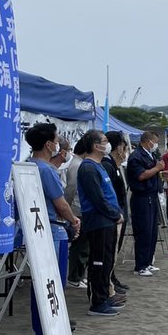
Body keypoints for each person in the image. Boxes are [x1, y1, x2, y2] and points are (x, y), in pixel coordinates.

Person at [25, 123, 82, 335]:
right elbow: (61, 203)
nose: (59, 143)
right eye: (56, 139)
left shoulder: (27, 165)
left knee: (40, 285)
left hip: (36, 230)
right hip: (53, 231)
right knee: (53, 286)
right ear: (49, 144)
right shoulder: (46, 170)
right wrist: (74, 220)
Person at [74, 130, 123, 317]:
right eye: (104, 141)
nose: (108, 144)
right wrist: (114, 214)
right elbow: (97, 199)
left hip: (108, 221)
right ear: (95, 146)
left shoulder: (99, 165)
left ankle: (104, 296)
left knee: (107, 261)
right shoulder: (87, 168)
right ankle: (97, 302)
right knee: (99, 261)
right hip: (99, 221)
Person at [126, 132, 167, 277]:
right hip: (141, 197)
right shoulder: (136, 156)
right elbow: (141, 175)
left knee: (152, 231)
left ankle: (148, 261)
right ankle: (140, 265)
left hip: (152, 195)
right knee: (144, 231)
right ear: (147, 141)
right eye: (154, 142)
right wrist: (156, 168)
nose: (155, 145)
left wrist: (160, 170)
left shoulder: (150, 154)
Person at [101, 132, 130, 303]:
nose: (125, 151)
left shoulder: (115, 165)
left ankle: (112, 278)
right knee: (109, 252)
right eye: (124, 147)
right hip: (113, 214)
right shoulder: (107, 165)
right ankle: (108, 282)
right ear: (118, 147)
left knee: (115, 250)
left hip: (119, 212)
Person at [63, 140, 89, 289]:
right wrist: (67, 210)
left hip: (80, 209)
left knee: (84, 246)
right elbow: (71, 188)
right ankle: (74, 277)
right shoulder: (76, 165)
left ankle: (80, 275)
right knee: (79, 246)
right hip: (77, 210)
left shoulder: (80, 164)